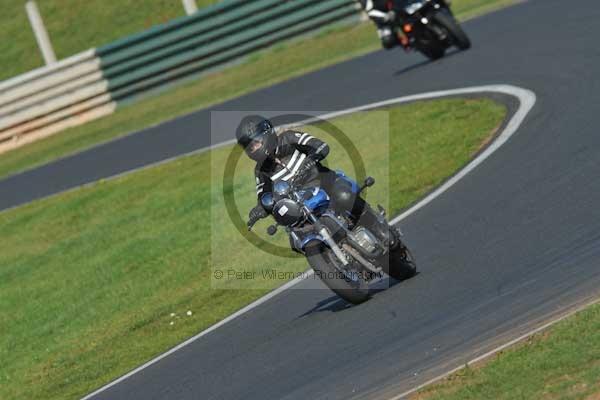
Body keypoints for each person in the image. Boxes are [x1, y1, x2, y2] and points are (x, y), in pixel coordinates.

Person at [235, 115, 365, 229]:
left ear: (266, 132)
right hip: (301, 205)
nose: (253, 149)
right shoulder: (260, 170)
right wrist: (259, 209)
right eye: (249, 147)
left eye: (255, 143)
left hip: (325, 183)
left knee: (344, 196)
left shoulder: (288, 138)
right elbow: (264, 195)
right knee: (295, 232)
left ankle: (376, 226)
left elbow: (320, 146)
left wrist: (311, 159)